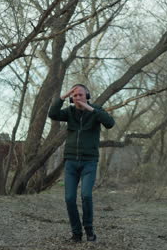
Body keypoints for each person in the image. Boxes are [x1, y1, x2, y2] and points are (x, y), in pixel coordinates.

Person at [48, 84, 115, 243]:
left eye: (81, 95)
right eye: (75, 95)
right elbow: (52, 114)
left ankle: (89, 230)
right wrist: (62, 97)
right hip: (71, 161)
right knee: (70, 198)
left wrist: (90, 109)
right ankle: (76, 234)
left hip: (89, 162)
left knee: (86, 195)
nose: (78, 98)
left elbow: (110, 123)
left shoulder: (96, 111)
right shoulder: (69, 112)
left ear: (87, 96)